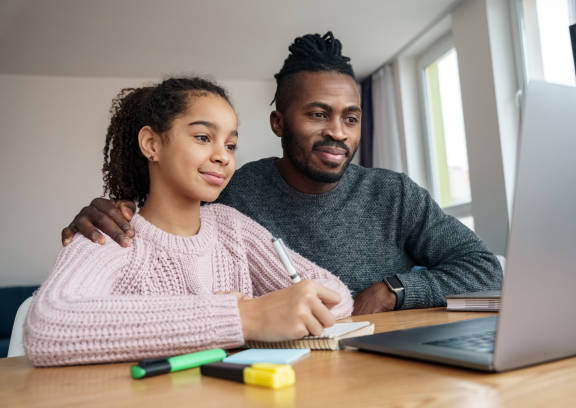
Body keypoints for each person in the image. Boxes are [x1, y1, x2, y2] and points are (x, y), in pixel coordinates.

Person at [61, 32, 502, 316]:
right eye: (317, 114)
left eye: (351, 118)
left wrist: (392, 291)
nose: (337, 132)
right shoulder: (234, 195)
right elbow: (168, 218)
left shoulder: (394, 194)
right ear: (278, 123)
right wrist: (110, 207)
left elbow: (485, 269)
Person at [24, 77, 353, 367]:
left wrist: (271, 311)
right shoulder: (111, 235)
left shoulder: (232, 226)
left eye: (231, 144)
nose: (223, 156)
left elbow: (337, 295)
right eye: (202, 137)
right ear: (151, 144)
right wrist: (243, 317)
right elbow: (46, 326)